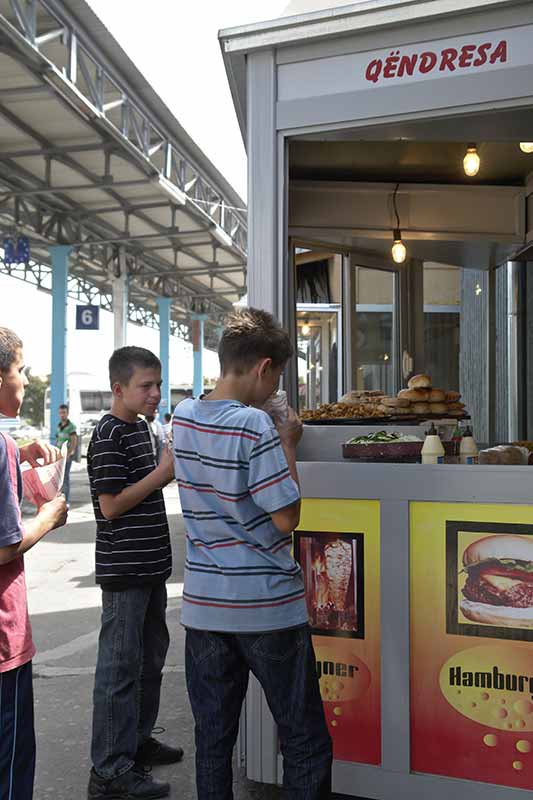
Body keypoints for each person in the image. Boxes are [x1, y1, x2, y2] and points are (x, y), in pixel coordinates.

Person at [172, 308, 332, 800]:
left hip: (203, 609)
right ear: (264, 367)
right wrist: (286, 441)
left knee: (213, 743)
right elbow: (287, 517)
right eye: (278, 374)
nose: (276, 385)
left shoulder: (181, 416)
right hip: (265, 608)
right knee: (304, 740)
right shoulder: (253, 427)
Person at [86, 346, 183, 800]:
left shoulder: (140, 429)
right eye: (145, 386)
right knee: (119, 670)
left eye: (158, 385)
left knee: (149, 663)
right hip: (124, 574)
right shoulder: (108, 434)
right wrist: (162, 474)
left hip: (149, 568)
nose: (155, 394)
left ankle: (136, 743)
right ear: (118, 388)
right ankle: (109, 770)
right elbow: (110, 507)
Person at [0, 327, 68, 800]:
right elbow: (4, 548)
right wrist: (48, 517)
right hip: (3, 642)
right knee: (10, 764)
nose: (24, 381)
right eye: (20, 369)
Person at [55, 403, 78, 502]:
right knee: (58, 478)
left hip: (67, 457)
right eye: (60, 413)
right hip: (59, 456)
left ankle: (66, 501)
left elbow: (74, 441)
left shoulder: (71, 426)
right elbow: (57, 440)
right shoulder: (58, 425)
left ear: (67, 413)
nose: (62, 415)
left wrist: (69, 454)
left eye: (64, 412)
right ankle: (59, 500)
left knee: (65, 479)